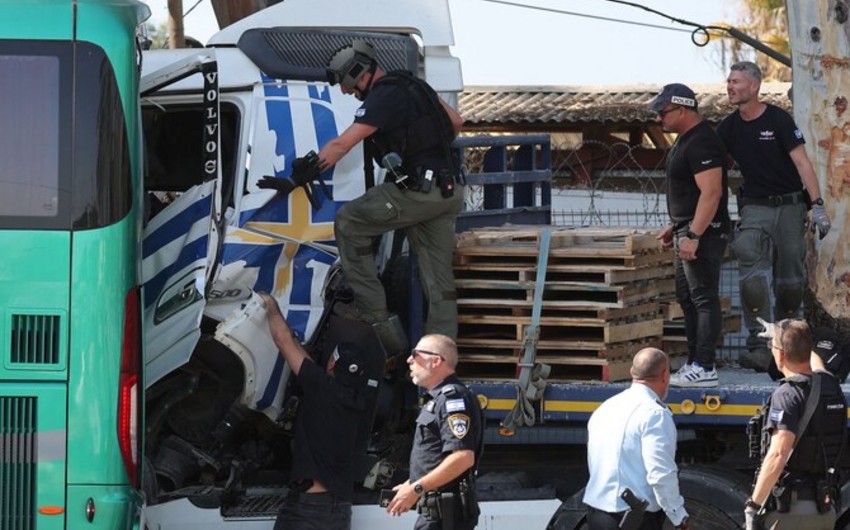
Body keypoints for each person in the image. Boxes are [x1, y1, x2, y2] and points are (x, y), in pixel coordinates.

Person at [319, 39, 465, 339]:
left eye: (346, 84)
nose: (346, 91)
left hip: (417, 193)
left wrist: (303, 173)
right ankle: (441, 352)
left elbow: (342, 144)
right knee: (439, 283)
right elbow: (455, 122)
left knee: (349, 221)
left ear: (359, 73)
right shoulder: (414, 85)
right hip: (448, 191)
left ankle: (372, 310)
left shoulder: (383, 96)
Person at [716, 61, 831, 373]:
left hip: (791, 208)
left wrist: (817, 206)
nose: (730, 86)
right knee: (749, 259)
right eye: (728, 81)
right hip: (754, 207)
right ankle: (759, 344)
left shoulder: (778, 120)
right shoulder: (727, 128)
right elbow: (711, 167)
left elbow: (803, 164)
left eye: (736, 81)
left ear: (754, 86)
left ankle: (789, 344)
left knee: (791, 279)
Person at [260, 292, 372, 530]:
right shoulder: (356, 401)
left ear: (331, 364)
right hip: (338, 508)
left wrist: (270, 306)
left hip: (309, 510)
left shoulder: (323, 389)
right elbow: (306, 364)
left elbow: (284, 340)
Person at [651, 83, 730, 388]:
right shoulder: (685, 140)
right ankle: (695, 362)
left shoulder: (702, 142)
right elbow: (693, 193)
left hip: (705, 232)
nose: (660, 118)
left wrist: (694, 233)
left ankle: (705, 366)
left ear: (682, 109)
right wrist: (679, 225)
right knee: (687, 298)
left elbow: (711, 193)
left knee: (703, 297)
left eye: (664, 112)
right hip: (689, 227)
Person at [744, 319, 847, 530]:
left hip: (791, 513)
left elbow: (778, 454)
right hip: (824, 511)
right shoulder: (830, 386)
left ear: (780, 354)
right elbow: (816, 364)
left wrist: (753, 506)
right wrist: (794, 336)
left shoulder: (788, 394)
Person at [583, 347, 690, 530]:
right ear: (665, 374)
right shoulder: (655, 414)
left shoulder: (606, 407)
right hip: (632, 520)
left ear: (632, 372)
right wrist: (679, 517)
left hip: (597, 514)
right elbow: (660, 473)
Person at [386, 334, 484, 530]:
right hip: (437, 514)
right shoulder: (439, 399)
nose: (409, 360)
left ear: (436, 361)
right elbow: (436, 457)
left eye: (416, 355)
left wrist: (417, 488)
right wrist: (412, 482)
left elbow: (463, 457)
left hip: (446, 517)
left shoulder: (453, 400)